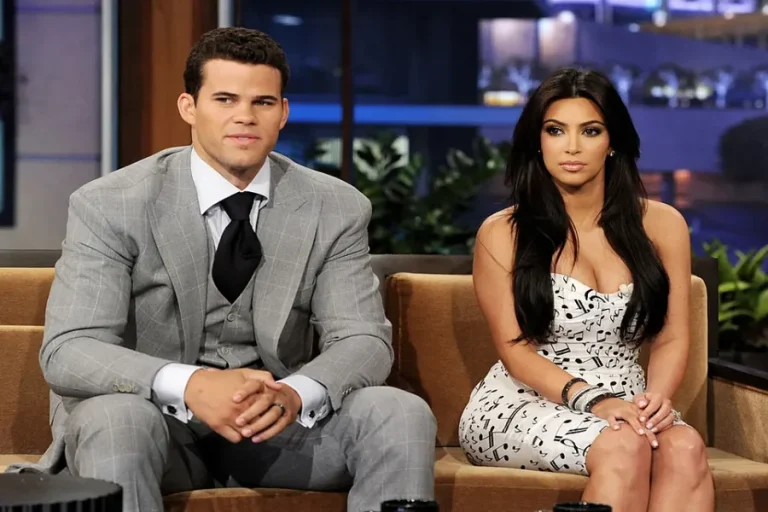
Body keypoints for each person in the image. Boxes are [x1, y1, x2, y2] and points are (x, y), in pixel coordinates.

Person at [6, 27, 437, 512]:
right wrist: (191, 385)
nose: (245, 116)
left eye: (263, 102)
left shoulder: (334, 207)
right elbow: (69, 349)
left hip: (279, 427)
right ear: (189, 107)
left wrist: (294, 394)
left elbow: (363, 339)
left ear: (283, 112)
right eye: (225, 99)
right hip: (152, 422)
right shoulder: (111, 204)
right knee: (116, 419)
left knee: (398, 412)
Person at [458, 68, 714, 512]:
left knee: (685, 448)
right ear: (538, 141)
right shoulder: (502, 232)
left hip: (629, 403)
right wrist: (594, 400)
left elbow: (672, 336)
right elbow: (515, 350)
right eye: (556, 130)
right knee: (625, 446)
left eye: (590, 131)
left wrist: (656, 399)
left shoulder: (663, 225)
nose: (572, 146)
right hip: (524, 402)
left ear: (612, 141)